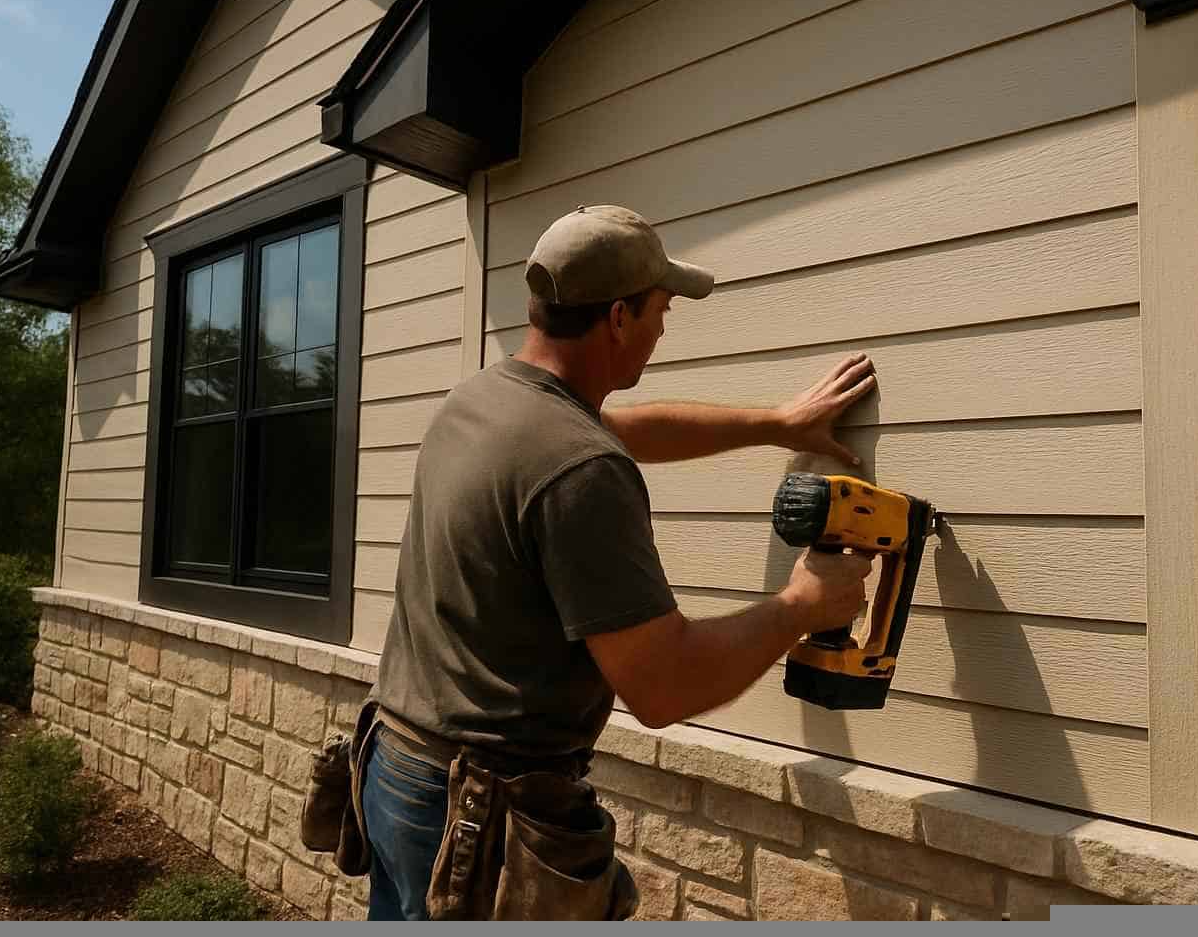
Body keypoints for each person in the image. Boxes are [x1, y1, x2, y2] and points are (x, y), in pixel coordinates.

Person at [358, 204, 878, 920]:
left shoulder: (486, 400)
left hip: (397, 766)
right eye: (662, 308)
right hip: (478, 815)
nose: (666, 326)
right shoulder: (579, 468)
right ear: (619, 319)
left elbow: (628, 430)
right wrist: (802, 606)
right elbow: (662, 687)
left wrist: (775, 424)